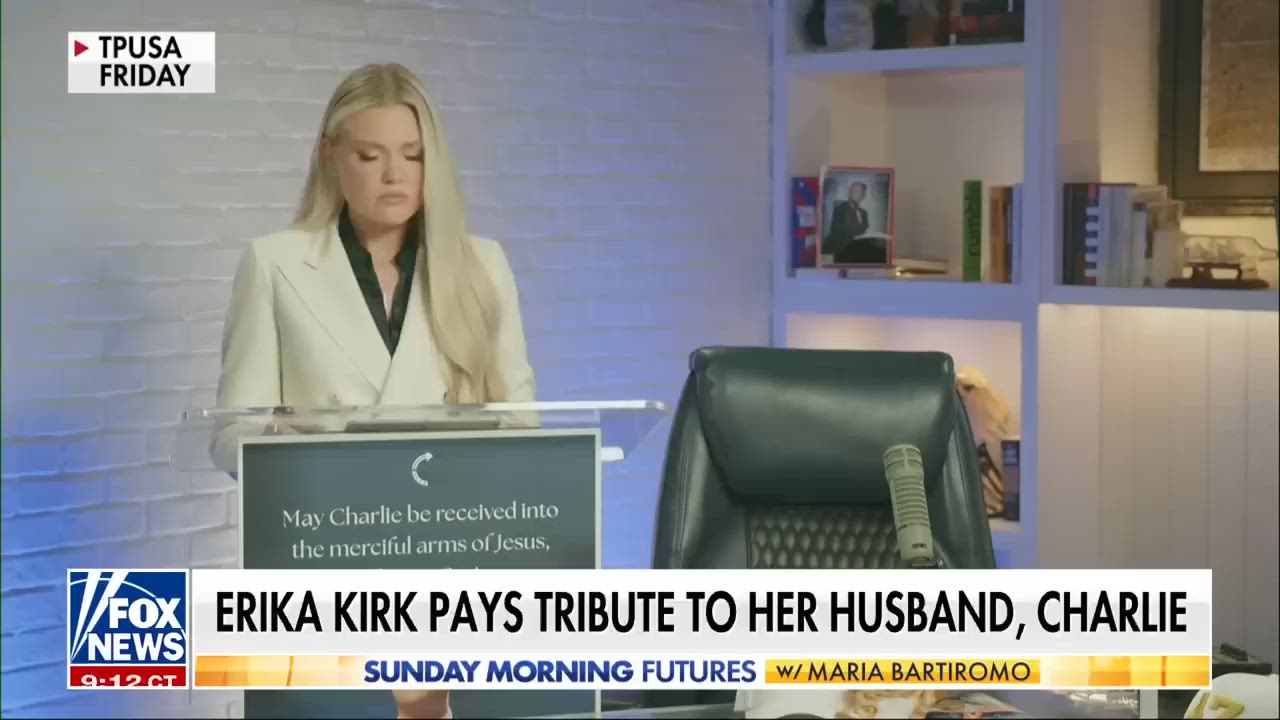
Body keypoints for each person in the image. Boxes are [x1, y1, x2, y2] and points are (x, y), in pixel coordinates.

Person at [214, 62, 536, 719]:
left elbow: (523, 427)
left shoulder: (482, 264)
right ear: (330, 157)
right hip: (325, 558)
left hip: (451, 559)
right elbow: (229, 433)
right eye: (370, 155)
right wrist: (290, 445)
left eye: (413, 155)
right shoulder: (274, 262)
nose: (394, 175)